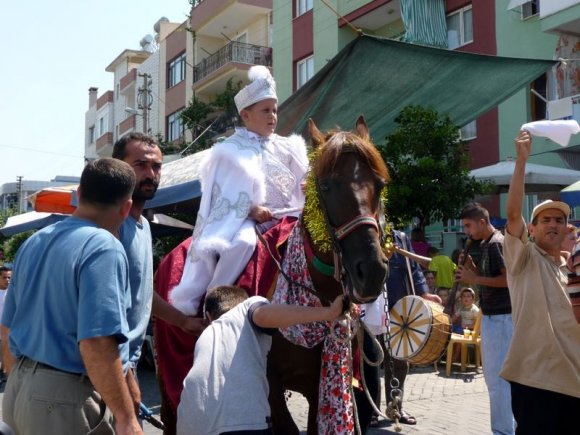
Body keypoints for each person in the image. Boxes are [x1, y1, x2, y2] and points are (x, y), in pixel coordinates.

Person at [1, 158, 142, 435]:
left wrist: (25, 382)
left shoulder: (35, 241)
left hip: (20, 386)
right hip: (64, 396)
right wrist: (127, 419)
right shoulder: (103, 247)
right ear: (126, 208)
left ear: (78, 194)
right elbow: (97, 343)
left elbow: (6, 328)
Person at [170, 65, 308, 316]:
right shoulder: (229, 150)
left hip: (290, 217)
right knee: (242, 244)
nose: (272, 116)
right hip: (247, 220)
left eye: (274, 110)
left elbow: (304, 179)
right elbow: (220, 196)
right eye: (265, 110)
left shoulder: (290, 147)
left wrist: (309, 186)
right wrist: (251, 209)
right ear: (246, 115)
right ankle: (214, 301)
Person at [176, 285, 344, 435]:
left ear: (209, 316)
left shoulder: (205, 335)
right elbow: (263, 315)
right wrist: (329, 313)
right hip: (241, 421)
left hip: (190, 424)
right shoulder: (247, 306)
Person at [503, 130, 580, 434]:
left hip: (574, 382)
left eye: (559, 220)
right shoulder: (523, 259)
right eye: (545, 220)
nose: (553, 224)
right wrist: (521, 161)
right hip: (534, 379)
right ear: (531, 230)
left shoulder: (572, 267)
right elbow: (511, 214)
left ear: (566, 228)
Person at [112, 132, 164, 413]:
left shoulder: (143, 227)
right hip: (107, 372)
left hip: (126, 367)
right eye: (141, 165)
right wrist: (126, 379)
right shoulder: (109, 225)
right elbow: (106, 310)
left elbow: (141, 294)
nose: (150, 174)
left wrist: (182, 321)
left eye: (156, 167)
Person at [456, 202, 514, 435]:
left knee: (497, 381)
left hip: (501, 318)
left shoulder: (495, 244)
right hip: (496, 318)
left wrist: (474, 278)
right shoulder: (489, 244)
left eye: (469, 226)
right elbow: (488, 278)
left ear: (482, 222)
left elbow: (508, 280)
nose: (467, 231)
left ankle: (502, 431)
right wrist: (472, 269)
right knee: (497, 380)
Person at [379, 230, 441, 426]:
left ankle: (395, 408)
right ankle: (368, 410)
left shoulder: (401, 238)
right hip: (372, 311)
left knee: (399, 363)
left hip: (400, 311)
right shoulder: (364, 232)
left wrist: (424, 293)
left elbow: (414, 269)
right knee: (370, 363)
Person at [0, 266, 11, 381]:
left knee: (5, 349)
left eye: (9, 278)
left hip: (7, 328)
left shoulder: (12, 293)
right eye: (4, 277)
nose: (7, 280)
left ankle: (3, 371)